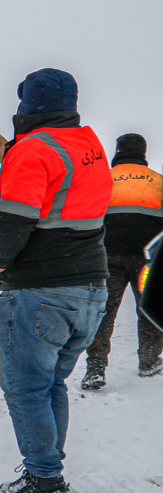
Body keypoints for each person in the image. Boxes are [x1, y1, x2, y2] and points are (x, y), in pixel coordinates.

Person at [0, 68, 111, 493]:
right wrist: (12, 158)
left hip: (41, 290)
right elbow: (61, 190)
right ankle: (47, 471)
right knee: (50, 384)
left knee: (25, 387)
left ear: (27, 106)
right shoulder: (88, 146)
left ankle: (45, 482)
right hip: (90, 288)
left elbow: (14, 223)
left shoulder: (32, 151)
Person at [80, 134, 163, 389]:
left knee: (103, 311)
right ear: (143, 153)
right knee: (148, 308)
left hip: (107, 255)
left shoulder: (104, 178)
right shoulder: (158, 181)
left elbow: (86, 215)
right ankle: (149, 361)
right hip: (147, 257)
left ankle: (95, 368)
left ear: (117, 151)